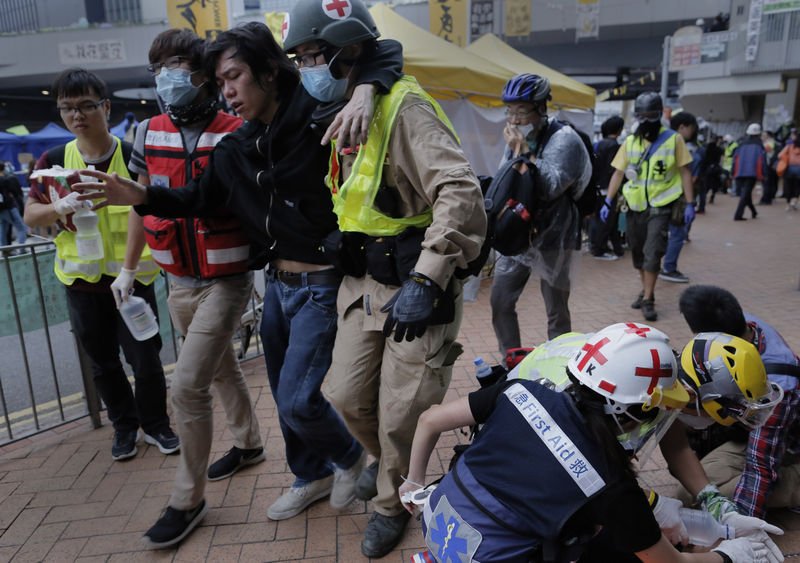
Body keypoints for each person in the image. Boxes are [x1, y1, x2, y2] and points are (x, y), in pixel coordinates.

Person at [73, 22, 404, 525]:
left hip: (322, 284)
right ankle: (308, 475)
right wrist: (139, 195)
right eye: (220, 81)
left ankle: (355, 459)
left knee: (298, 400)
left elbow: (384, 51)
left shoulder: (318, 116)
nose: (227, 90)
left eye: (235, 76)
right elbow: (197, 199)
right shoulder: (240, 146)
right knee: (282, 394)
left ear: (270, 72)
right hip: (276, 284)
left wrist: (364, 89)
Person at [282, 1, 486, 556]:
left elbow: (460, 191)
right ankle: (388, 466)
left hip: (417, 283)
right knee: (344, 395)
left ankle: (391, 502)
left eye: (313, 56)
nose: (307, 69)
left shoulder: (405, 107)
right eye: (299, 59)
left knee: (403, 412)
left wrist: (427, 277)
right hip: (362, 284)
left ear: (348, 50)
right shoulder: (345, 105)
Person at [400, 324, 782, 563]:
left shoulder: (604, 369)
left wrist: (414, 483)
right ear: (633, 408)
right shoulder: (608, 480)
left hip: (453, 500)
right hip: (490, 541)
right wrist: (729, 556)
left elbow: (430, 418)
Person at [112, 29, 263, 549]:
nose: (167, 77)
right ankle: (248, 442)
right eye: (159, 67)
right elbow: (141, 203)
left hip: (227, 277)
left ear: (201, 72)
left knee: (188, 385)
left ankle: (187, 498)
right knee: (219, 369)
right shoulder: (145, 133)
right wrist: (129, 270)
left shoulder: (237, 130)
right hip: (177, 278)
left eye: (176, 64)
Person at [23, 68, 178, 462]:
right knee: (103, 363)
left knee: (145, 359)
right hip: (82, 282)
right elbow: (31, 216)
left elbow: (150, 210)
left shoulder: (131, 156)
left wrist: (128, 271)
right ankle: (124, 428)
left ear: (105, 107)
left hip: (133, 280)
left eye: (86, 106)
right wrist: (57, 206)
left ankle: (157, 425)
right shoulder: (54, 162)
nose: (77, 115)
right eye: (67, 108)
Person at [677, 285, 800, 519]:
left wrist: (738, 533)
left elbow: (760, 467)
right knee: (689, 490)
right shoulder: (742, 326)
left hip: (787, 443)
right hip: (753, 431)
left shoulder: (777, 387)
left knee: (700, 498)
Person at [489, 73, 591, 353]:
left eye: (521, 110)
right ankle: (510, 359)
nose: (514, 118)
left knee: (556, 309)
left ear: (541, 108)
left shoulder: (565, 139)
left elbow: (550, 186)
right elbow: (507, 177)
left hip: (555, 236)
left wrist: (521, 150)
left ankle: (559, 359)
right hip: (519, 232)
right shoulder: (517, 139)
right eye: (509, 110)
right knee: (500, 301)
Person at [601, 91, 694, 322]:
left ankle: (649, 298)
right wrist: (608, 200)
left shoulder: (673, 139)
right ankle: (645, 289)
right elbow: (618, 173)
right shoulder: (630, 142)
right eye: (641, 116)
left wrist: (691, 203)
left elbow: (684, 171)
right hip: (635, 206)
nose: (645, 121)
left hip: (661, 205)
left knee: (653, 254)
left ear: (660, 114)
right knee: (639, 255)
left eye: (650, 115)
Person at [659, 111, 699, 284]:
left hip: (659, 196)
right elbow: (686, 173)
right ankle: (668, 267)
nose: (692, 132)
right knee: (677, 233)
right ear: (682, 127)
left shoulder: (660, 140)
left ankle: (658, 266)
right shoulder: (678, 142)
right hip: (676, 196)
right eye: (691, 128)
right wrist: (690, 202)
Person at [589, 115, 625, 260]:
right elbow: (615, 170)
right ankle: (599, 249)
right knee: (607, 220)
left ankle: (609, 247)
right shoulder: (615, 146)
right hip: (608, 188)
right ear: (619, 130)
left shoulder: (597, 144)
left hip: (596, 187)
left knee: (599, 219)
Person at [732, 123, 765, 221]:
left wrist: (733, 172)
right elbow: (762, 161)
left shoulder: (741, 143)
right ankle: (738, 215)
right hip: (752, 173)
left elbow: (735, 158)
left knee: (746, 193)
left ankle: (754, 211)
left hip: (740, 172)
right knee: (745, 193)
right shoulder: (759, 145)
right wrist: (764, 174)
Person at [0, 162, 28, 249]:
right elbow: (15, 193)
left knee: (3, 229)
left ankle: (5, 250)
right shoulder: (5, 180)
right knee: (22, 228)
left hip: (1, 209)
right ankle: (22, 249)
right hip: (9, 207)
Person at [777, 128, 800, 210]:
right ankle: (795, 200)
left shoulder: (789, 145)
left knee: (788, 186)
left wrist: (786, 158)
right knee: (797, 186)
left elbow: (780, 155)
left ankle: (788, 203)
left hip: (790, 168)